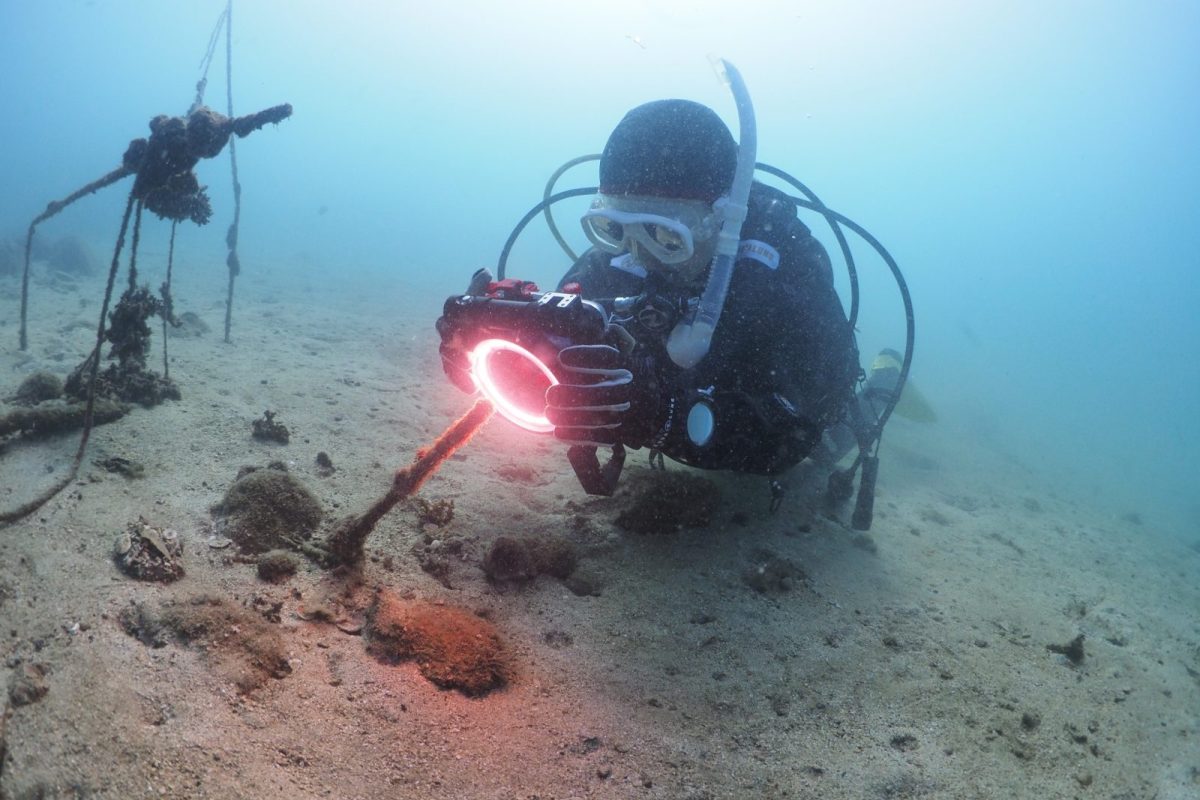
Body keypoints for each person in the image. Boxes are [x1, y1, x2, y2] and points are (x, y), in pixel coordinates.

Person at [439, 98, 871, 498]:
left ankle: (885, 382)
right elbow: (564, 353)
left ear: (721, 219)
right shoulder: (622, 259)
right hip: (698, 406)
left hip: (791, 406)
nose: (637, 253)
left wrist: (660, 416)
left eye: (665, 234)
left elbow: (791, 440)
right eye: (613, 228)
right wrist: (493, 351)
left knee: (828, 451)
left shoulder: (781, 276)